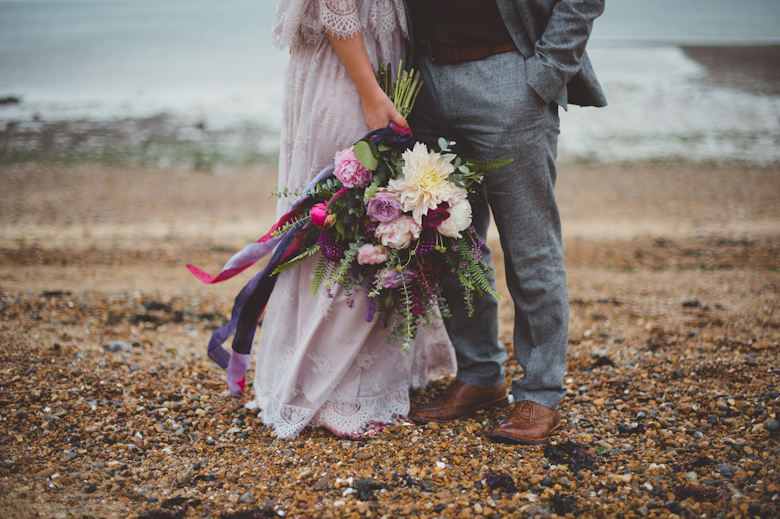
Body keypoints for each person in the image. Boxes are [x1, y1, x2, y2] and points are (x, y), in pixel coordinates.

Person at [245, 0, 455, 439]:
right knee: (351, 217)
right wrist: (369, 92)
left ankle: (343, 379)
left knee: (367, 215)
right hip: (354, 68)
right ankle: (335, 391)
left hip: (366, 59)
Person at [406, 0, 607, 445]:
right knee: (451, 240)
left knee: (530, 249)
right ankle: (480, 375)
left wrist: (546, 73)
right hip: (424, 80)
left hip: (509, 76)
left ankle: (540, 391)